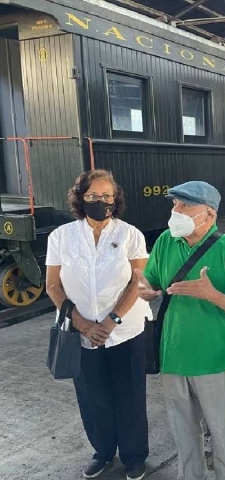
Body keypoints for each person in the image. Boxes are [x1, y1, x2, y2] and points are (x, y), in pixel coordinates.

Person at [138, 181, 225, 480]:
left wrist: (212, 294)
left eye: (185, 206)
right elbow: (151, 280)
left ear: (209, 214)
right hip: (173, 355)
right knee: (183, 434)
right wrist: (146, 290)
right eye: (174, 205)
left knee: (222, 434)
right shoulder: (167, 241)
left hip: (214, 359)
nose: (176, 211)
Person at [45, 169, 151, 480]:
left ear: (115, 200)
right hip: (82, 333)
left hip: (125, 330)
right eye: (92, 196)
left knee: (130, 395)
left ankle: (134, 457)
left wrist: (111, 319)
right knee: (92, 397)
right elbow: (53, 286)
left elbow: (137, 281)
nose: (100, 201)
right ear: (80, 199)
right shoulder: (61, 237)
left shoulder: (130, 234)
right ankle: (103, 453)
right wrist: (82, 324)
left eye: (106, 196)